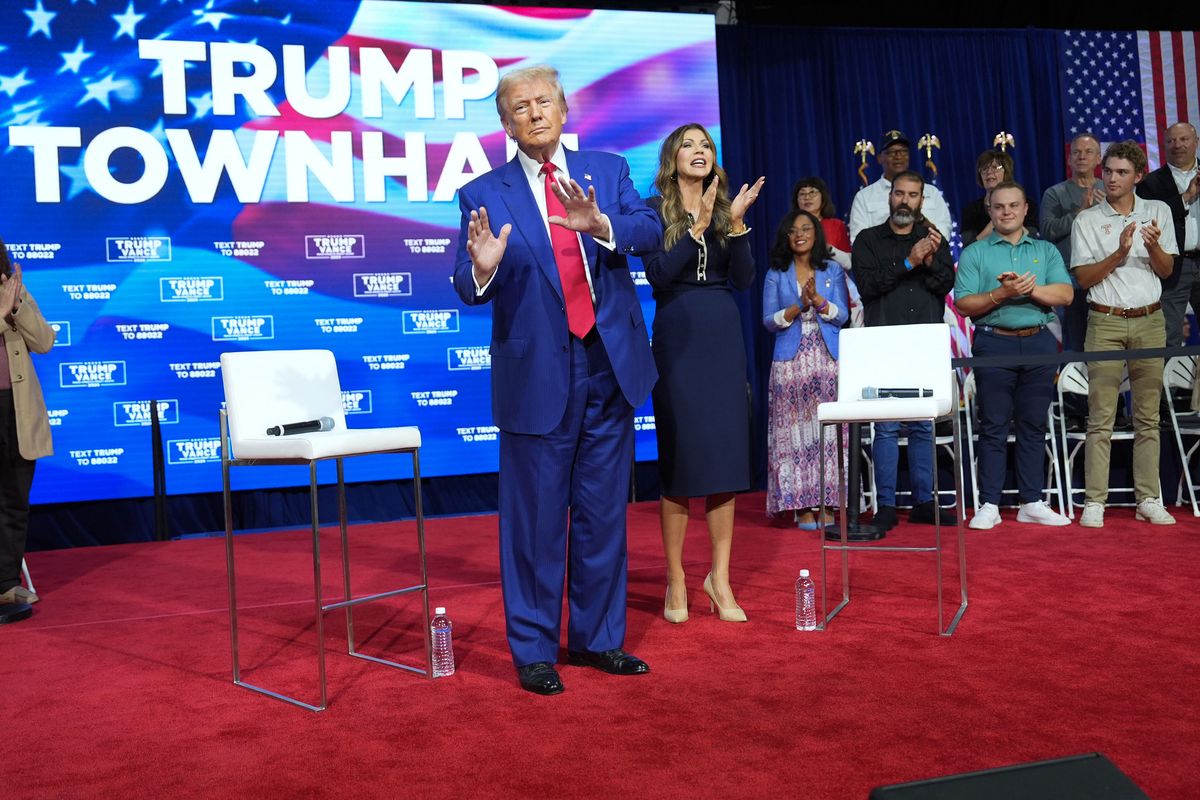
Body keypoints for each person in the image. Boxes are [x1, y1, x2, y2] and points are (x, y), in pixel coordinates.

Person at [452, 64, 659, 694]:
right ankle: (535, 649)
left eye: (544, 101)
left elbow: (649, 231)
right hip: (538, 373)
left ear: (564, 109)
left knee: (602, 514)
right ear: (505, 122)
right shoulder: (484, 192)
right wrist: (483, 270)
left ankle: (598, 640)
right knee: (535, 520)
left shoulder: (609, 168)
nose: (535, 113)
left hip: (609, 363)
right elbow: (465, 283)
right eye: (521, 106)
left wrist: (601, 227)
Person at [644, 123, 763, 625]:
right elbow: (656, 274)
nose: (699, 151)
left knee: (722, 463)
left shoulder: (725, 210)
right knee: (681, 464)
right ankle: (676, 578)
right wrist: (693, 232)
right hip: (677, 337)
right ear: (672, 159)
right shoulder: (651, 211)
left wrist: (733, 226)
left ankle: (720, 577)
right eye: (689, 145)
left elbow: (741, 280)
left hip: (722, 337)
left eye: (706, 145)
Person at [1070, 141, 1178, 528]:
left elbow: (1167, 272)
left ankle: (1148, 497)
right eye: (1109, 171)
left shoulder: (1159, 211)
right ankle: (1094, 501)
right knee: (1101, 416)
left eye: (1121, 172)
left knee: (1148, 416)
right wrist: (1118, 253)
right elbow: (1082, 279)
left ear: (1139, 176)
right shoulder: (1086, 220)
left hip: (1150, 319)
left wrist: (1151, 248)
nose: (1112, 178)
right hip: (1105, 321)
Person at [954, 183, 1073, 530]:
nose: (1006, 212)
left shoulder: (1045, 249)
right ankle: (989, 503)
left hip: (1039, 342)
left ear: (1025, 210)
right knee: (992, 425)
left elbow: (1065, 294)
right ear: (989, 211)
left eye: (1013, 206)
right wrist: (1001, 294)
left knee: (1033, 424)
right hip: (993, 343)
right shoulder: (976, 253)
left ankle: (1031, 501)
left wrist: (1029, 290)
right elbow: (964, 304)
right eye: (999, 206)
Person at [851, 170, 957, 530]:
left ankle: (924, 502)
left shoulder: (934, 239)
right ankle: (885, 506)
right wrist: (909, 261)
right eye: (900, 193)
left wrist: (928, 260)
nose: (905, 201)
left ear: (921, 201)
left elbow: (945, 284)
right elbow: (867, 286)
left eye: (913, 195)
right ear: (889, 196)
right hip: (884, 343)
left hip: (924, 342)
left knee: (924, 425)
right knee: (886, 425)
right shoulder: (868, 240)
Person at [762, 210, 850, 529]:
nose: (800, 234)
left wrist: (820, 301)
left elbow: (842, 317)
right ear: (786, 237)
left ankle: (827, 500)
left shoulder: (833, 271)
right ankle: (802, 506)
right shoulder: (776, 273)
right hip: (791, 361)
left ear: (816, 234)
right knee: (796, 434)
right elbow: (768, 320)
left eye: (806, 228)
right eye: (793, 230)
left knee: (827, 433)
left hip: (827, 360)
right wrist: (799, 305)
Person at [0, 248, 55, 612]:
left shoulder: (13, 288)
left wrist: (17, 305)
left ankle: (6, 583)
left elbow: (44, 342)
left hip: (15, 410)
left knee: (14, 500)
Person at [1136, 122, 1200, 347]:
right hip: (1174, 267)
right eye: (1171, 140)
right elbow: (1148, 218)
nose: (1177, 145)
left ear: (1196, 142)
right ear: (1163, 145)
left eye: (1184, 139)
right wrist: (1186, 196)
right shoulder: (1150, 183)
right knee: (1168, 335)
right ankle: (1168, 383)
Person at [1040, 132, 1104, 353]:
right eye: (1076, 152)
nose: (1081, 157)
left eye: (1088, 152)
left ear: (1099, 158)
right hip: (1071, 281)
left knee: (1104, 345)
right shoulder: (1055, 194)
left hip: (1106, 281)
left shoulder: (1110, 190)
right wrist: (1080, 212)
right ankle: (1074, 388)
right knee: (1075, 346)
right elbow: (1047, 231)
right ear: (1069, 159)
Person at [848, 130, 953, 244]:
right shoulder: (864, 196)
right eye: (891, 152)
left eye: (903, 151)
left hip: (928, 256)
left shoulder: (931, 192)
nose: (898, 156)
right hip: (884, 259)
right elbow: (858, 241)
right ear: (879, 158)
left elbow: (944, 232)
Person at [792, 176, 863, 327]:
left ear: (823, 198)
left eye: (813, 192)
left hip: (834, 295)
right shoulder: (789, 226)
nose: (807, 197)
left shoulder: (836, 225)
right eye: (802, 194)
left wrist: (828, 248)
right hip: (798, 295)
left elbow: (849, 263)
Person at [959, 149, 1039, 245]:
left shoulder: (1025, 204)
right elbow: (968, 247)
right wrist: (994, 223)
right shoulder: (971, 210)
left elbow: (1032, 240)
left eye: (995, 167)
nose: (989, 172)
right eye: (984, 169)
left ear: (1006, 172)